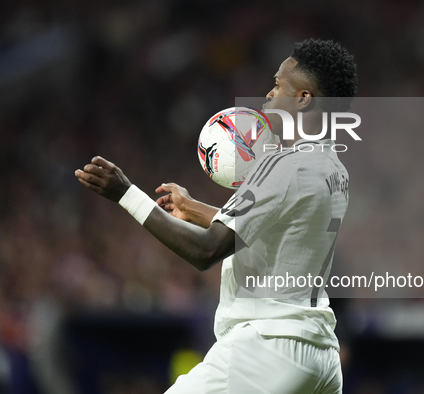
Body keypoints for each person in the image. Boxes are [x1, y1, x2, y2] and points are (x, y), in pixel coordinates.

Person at [75, 38, 357, 394]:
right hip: (320, 357)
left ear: (303, 99)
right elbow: (275, 232)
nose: (268, 95)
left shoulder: (285, 166)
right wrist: (194, 210)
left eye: (277, 85)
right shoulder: (332, 167)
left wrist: (126, 194)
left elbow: (206, 251)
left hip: (268, 349)